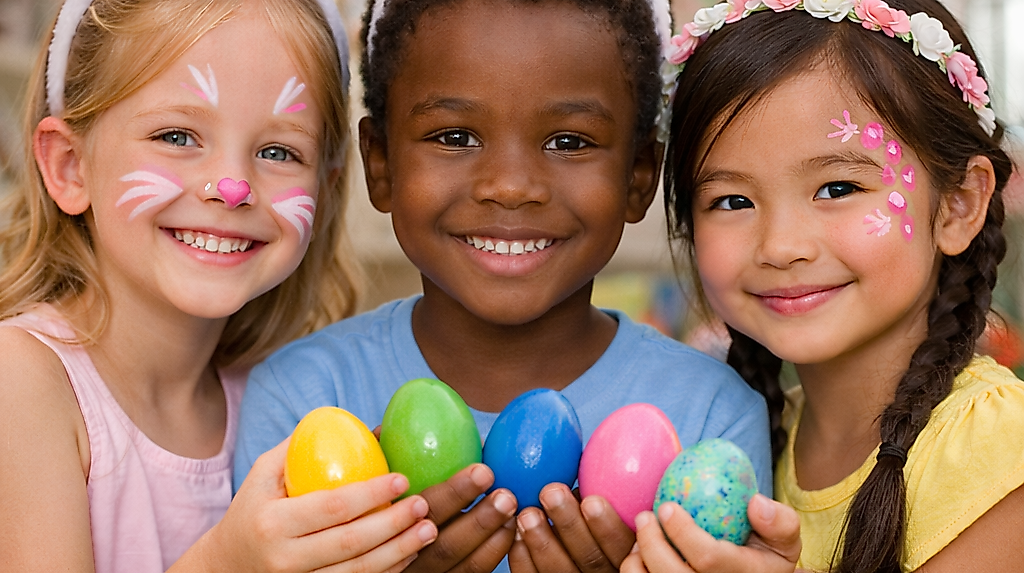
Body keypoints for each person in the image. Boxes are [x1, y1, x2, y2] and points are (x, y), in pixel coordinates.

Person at [233, 0, 775, 571]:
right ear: (381, 165)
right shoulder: (299, 402)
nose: (511, 186)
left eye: (568, 141)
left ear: (640, 174)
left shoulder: (713, 417)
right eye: (456, 136)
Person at [0, 1, 439, 571]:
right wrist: (226, 563)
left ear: (326, 192)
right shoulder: (23, 382)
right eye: (177, 136)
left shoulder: (277, 396)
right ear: (69, 166)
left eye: (278, 152)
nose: (232, 187)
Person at [622, 0, 1024, 571]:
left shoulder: (998, 449)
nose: (782, 246)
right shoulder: (740, 444)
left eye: (837, 188)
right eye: (732, 201)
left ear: (957, 205)